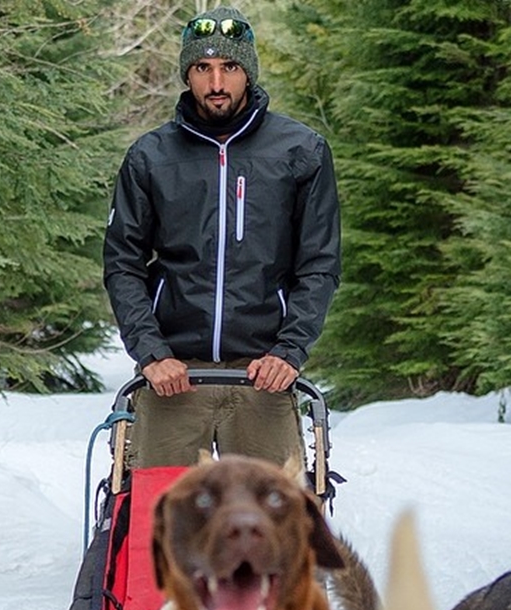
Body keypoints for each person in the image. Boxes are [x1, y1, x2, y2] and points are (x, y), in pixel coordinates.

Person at [103, 6, 341, 469]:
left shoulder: (301, 151)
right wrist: (152, 355)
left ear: (247, 72)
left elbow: (320, 263)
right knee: (161, 524)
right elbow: (123, 263)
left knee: (270, 529)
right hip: (174, 375)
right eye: (202, 68)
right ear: (187, 75)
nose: (216, 83)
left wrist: (288, 352)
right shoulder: (150, 157)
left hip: (262, 373)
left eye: (229, 67)